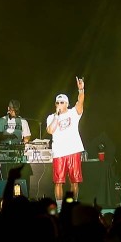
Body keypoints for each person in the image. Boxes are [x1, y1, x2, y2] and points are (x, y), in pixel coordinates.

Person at [45, 77, 85, 206]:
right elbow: (50, 130)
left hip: (73, 150)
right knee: (58, 181)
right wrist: (57, 116)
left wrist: (81, 90)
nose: (59, 104)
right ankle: (59, 207)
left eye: (62, 102)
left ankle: (73, 205)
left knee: (74, 181)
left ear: (67, 104)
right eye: (57, 102)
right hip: (59, 153)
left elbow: (80, 102)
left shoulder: (73, 113)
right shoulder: (51, 117)